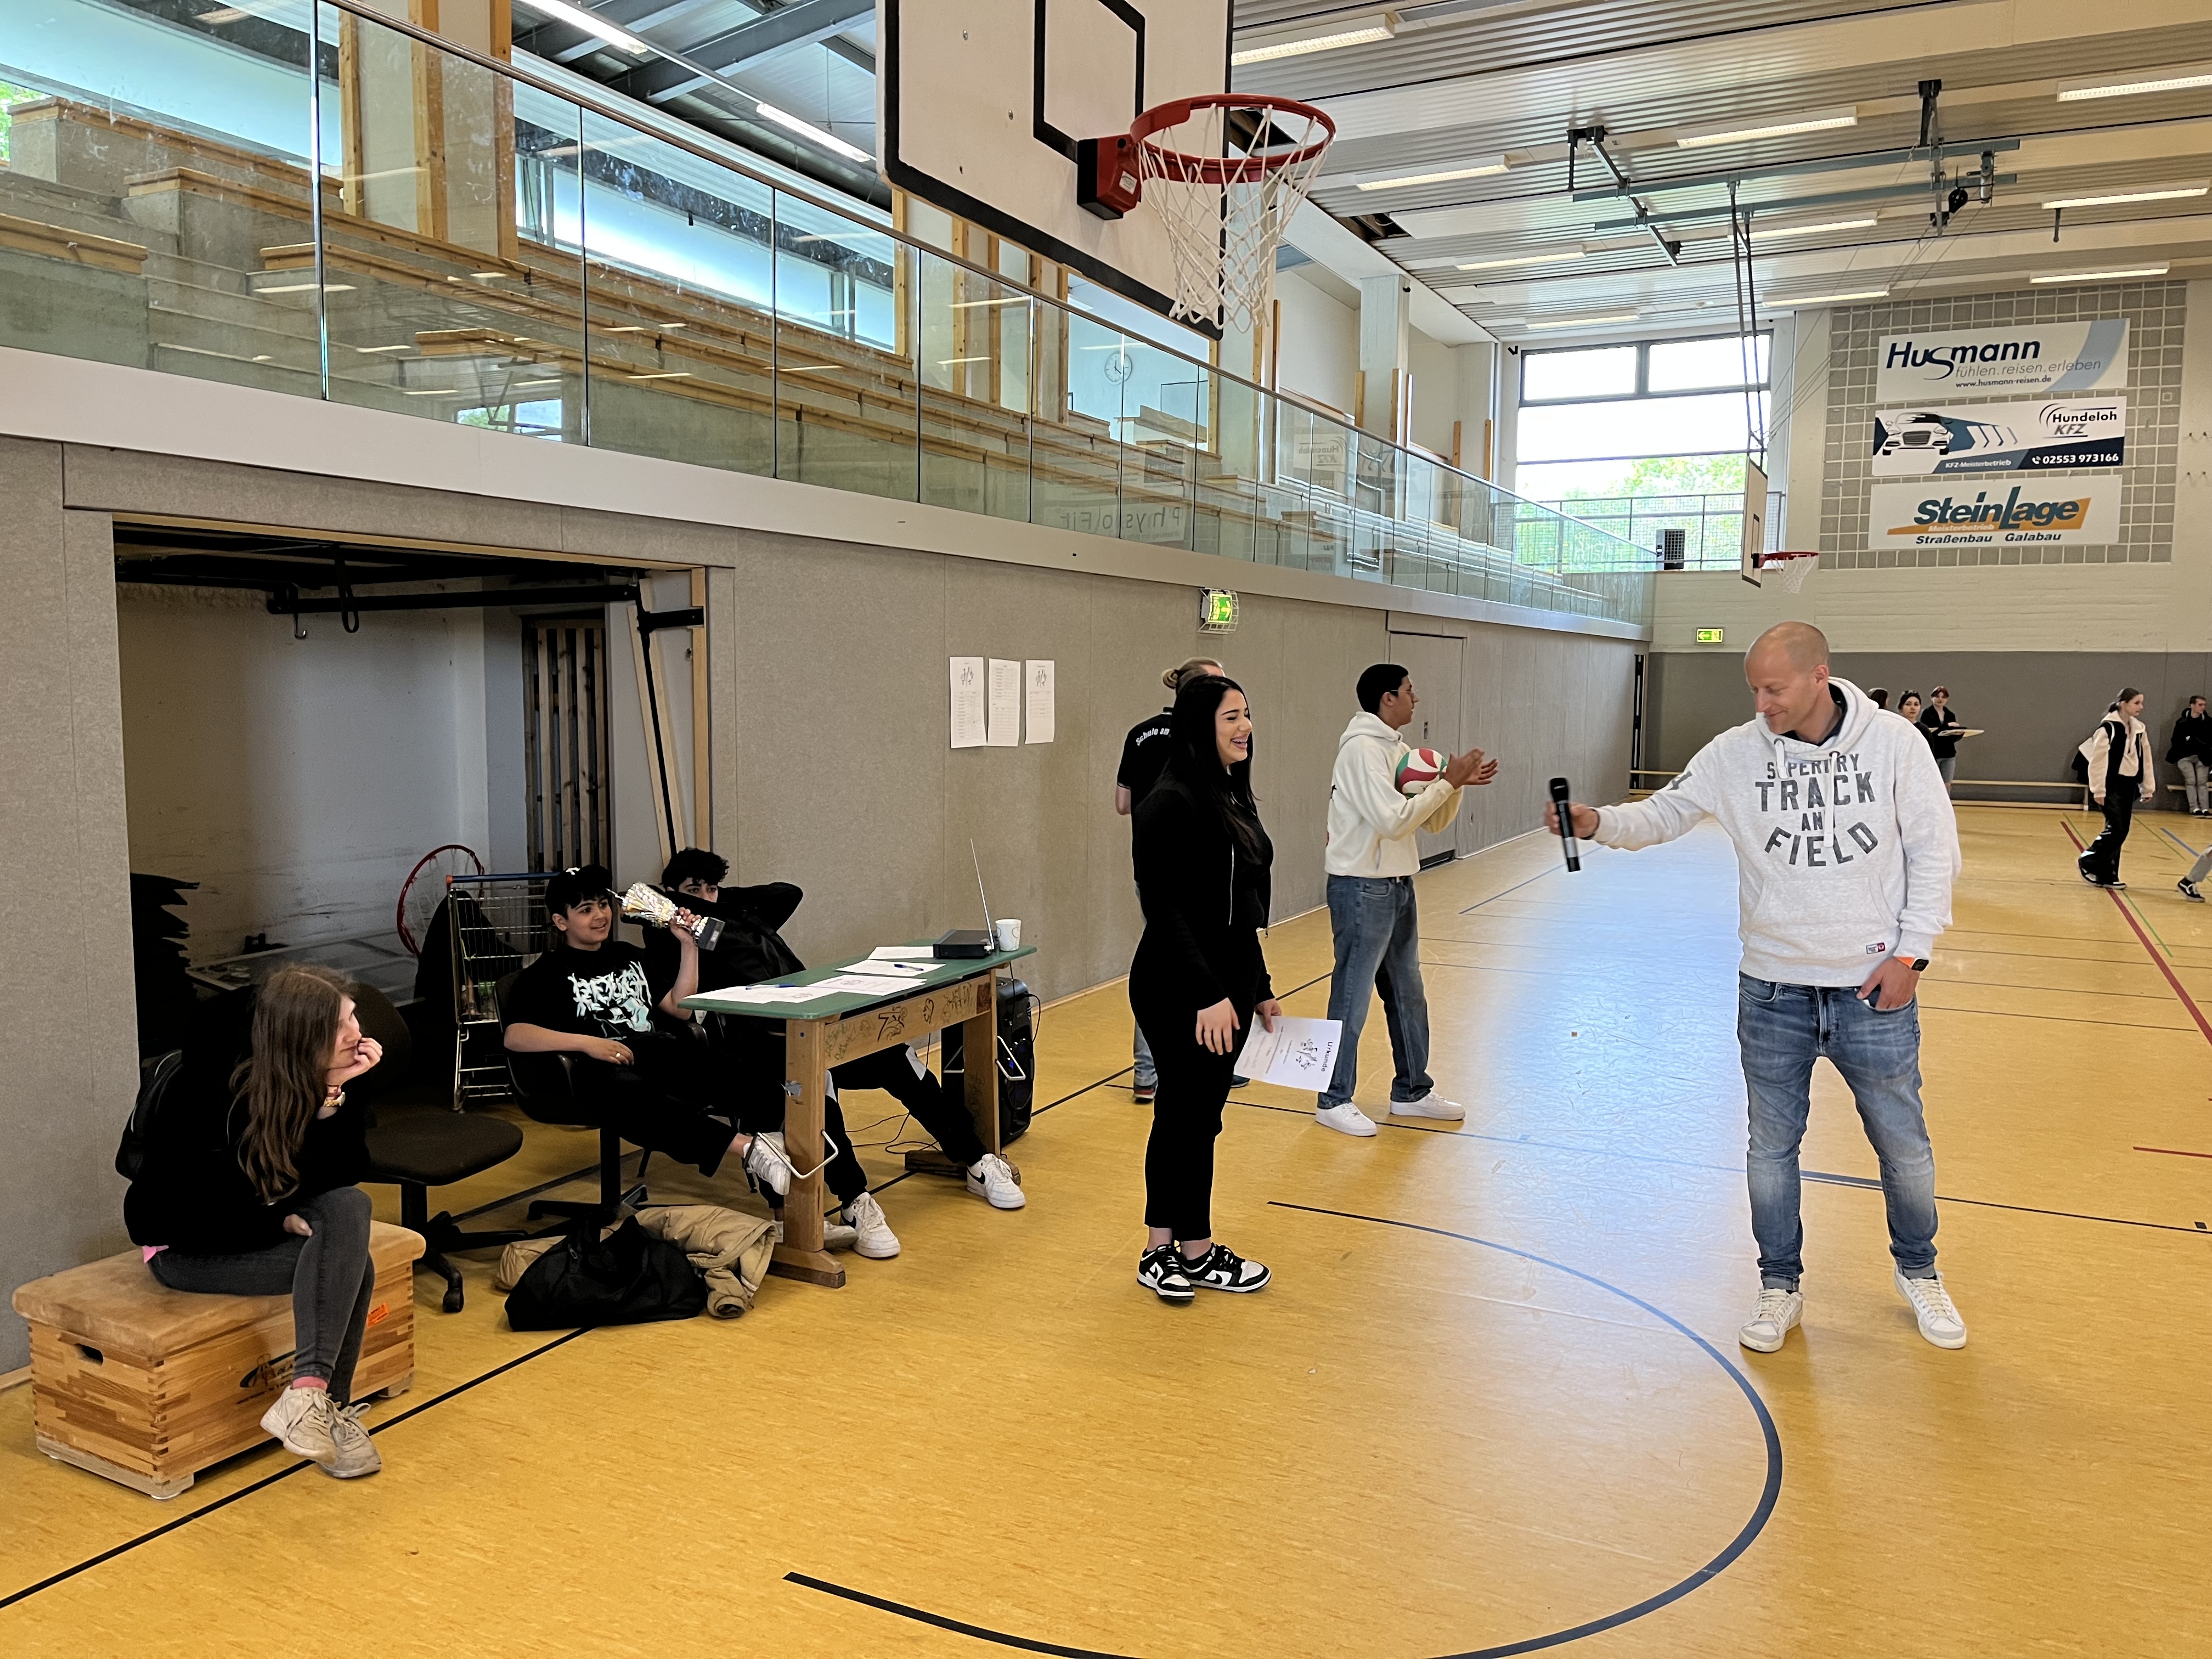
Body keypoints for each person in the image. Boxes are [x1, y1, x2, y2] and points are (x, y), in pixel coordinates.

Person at [1546, 623, 1969, 1352]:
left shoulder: (1895, 744)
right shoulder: (1736, 753)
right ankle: (1779, 1285)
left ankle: (1919, 1270)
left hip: (1873, 990)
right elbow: (1665, 813)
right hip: (1773, 991)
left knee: (1903, 1146)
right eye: (1754, 690)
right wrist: (1597, 822)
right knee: (1771, 1150)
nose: (1761, 703)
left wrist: (1913, 955)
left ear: (1819, 676)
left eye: (1774, 689)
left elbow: (1936, 851)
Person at [651, 848, 1024, 1259]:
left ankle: (975, 1158)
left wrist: (714, 901)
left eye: (712, 887)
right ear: (671, 893)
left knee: (897, 1058)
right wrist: (678, 913)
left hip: (813, 1019)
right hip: (757, 1043)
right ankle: (854, 1199)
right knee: (819, 1078)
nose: (706, 896)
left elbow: (787, 893)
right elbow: (679, 1006)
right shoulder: (669, 938)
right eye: (694, 889)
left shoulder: (744, 917)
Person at [124, 966, 392, 1479]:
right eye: (338, 1026)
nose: (356, 1034)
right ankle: (327, 1406)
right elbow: (161, 1216)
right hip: (188, 1248)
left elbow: (342, 1173)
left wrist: (333, 1094)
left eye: (353, 1017)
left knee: (350, 1207)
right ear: (298, 1037)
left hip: (257, 1223)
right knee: (351, 1263)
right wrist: (276, 1223)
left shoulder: (322, 1079)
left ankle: (310, 1400)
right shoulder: (208, 1093)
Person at [502, 865, 794, 1198]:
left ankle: (782, 1205)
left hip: (658, 1052)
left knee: (758, 1085)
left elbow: (680, 1008)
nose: (600, 916)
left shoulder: (628, 956)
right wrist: (588, 1043)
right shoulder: (545, 973)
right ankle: (747, 1149)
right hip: (599, 1070)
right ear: (561, 921)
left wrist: (689, 946)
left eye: (603, 905)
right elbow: (516, 1035)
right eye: (585, 910)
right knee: (635, 1095)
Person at [1129, 674, 1281, 1302]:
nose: (1245, 728)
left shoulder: (1231, 794)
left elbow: (1240, 910)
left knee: (1195, 1118)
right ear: (1200, 727)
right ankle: (1176, 1250)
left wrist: (1260, 987)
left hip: (1228, 983)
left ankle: (1175, 1248)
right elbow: (1164, 910)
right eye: (1231, 718)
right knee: (1188, 1117)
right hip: (1180, 986)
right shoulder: (1169, 803)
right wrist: (1207, 995)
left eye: (1247, 715)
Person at [1314, 663, 1498, 1136]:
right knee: (1352, 996)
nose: (1416, 699)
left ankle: (1412, 1091)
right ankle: (1333, 1098)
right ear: (1387, 698)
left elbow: (1429, 822)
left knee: (1408, 994)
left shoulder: (1399, 750)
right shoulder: (1361, 752)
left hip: (1398, 885)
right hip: (1361, 888)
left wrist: (1454, 787)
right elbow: (1393, 821)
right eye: (1409, 691)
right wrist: (1447, 782)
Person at [1117, 657, 1224, 1107]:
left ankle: (1148, 1073)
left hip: (1148, 868)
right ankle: (1181, 1060)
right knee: (1177, 963)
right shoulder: (1199, 740)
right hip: (1188, 878)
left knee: (1162, 959)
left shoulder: (1139, 733)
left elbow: (1122, 803)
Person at [2078, 690, 2156, 889]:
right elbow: (2098, 762)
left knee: (2120, 830)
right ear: (2123, 703)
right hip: (2110, 785)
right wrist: (2098, 790)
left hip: (2129, 786)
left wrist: (2147, 787)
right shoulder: (2108, 729)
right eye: (2137, 703)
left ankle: (2107, 874)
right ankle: (2089, 860)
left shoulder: (2139, 729)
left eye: (2141, 703)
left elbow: (2146, 759)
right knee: (2118, 829)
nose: (2141, 707)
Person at [2169, 695, 2212, 817]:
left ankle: (2205, 809)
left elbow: (2209, 741)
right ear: (2192, 705)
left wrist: (2193, 741)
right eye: (2200, 705)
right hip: (2184, 756)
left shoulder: (2209, 722)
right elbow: (2176, 740)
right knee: (2191, 781)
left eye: (2204, 705)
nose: (2203, 707)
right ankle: (2195, 808)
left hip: (2203, 756)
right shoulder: (2182, 722)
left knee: (2202, 782)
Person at [1919, 685, 1966, 793]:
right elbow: (1928, 733)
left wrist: (1958, 734)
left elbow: (1951, 739)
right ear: (1932, 698)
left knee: (1947, 784)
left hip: (1948, 754)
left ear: (1947, 699)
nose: (1940, 699)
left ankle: (1946, 804)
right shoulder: (1926, 713)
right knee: (1932, 784)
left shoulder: (1950, 715)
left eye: (1943, 697)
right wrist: (1947, 726)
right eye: (1938, 696)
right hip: (1933, 753)